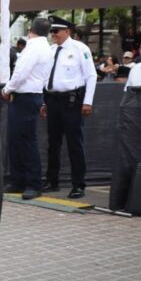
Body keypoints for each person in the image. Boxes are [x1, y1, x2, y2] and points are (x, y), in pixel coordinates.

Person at [40, 16, 97, 199]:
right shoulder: (51, 50)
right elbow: (45, 77)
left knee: (74, 143)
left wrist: (88, 101)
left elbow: (91, 76)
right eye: (51, 31)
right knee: (53, 143)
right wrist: (44, 102)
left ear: (67, 31)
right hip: (52, 100)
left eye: (56, 31)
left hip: (71, 101)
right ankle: (52, 180)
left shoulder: (80, 49)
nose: (53, 35)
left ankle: (78, 184)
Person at [1, 17, 52, 200]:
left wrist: (8, 88)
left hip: (26, 96)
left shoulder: (34, 47)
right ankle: (18, 180)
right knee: (18, 140)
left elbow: (21, 72)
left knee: (25, 140)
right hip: (30, 95)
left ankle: (32, 183)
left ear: (31, 30)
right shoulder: (45, 47)